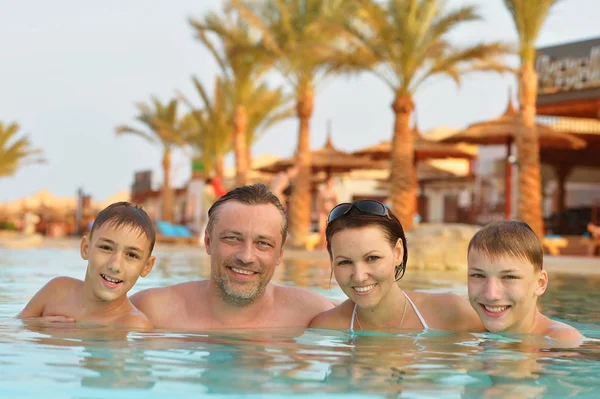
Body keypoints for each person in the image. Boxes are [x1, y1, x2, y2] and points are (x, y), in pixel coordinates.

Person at [130, 183, 334, 329]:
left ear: (279, 254)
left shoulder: (313, 313)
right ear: (208, 242)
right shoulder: (152, 311)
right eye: (232, 239)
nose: (246, 257)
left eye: (263, 243)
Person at [310, 200, 483, 332]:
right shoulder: (326, 328)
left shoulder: (452, 314)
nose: (359, 276)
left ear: (398, 252)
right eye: (345, 262)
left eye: (372, 258)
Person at [16, 202, 156, 328]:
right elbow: (15, 327)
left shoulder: (133, 325)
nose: (115, 266)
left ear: (146, 266)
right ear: (85, 248)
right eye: (106, 248)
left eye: (132, 255)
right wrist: (35, 324)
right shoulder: (56, 291)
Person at [467, 220, 583, 344]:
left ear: (540, 283)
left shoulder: (562, 341)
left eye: (509, 277)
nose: (491, 295)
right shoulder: (465, 325)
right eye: (478, 275)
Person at [317, 177, 338, 250]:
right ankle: (322, 245)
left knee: (329, 229)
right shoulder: (322, 192)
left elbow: (335, 203)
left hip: (330, 213)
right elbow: (319, 202)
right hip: (323, 213)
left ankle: (327, 245)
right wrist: (322, 211)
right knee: (322, 229)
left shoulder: (334, 193)